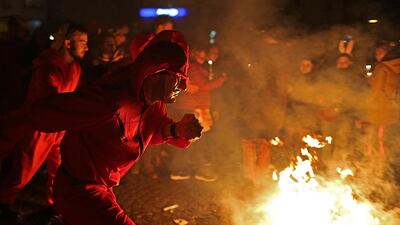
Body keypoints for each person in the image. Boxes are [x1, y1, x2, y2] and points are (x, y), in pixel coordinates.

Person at [1, 30, 202, 225]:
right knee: (22, 170)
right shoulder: (108, 102)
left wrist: (177, 130)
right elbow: (42, 112)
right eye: (177, 77)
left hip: (101, 188)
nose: (182, 87)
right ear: (154, 71)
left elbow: (152, 130)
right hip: (79, 190)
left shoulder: (153, 103)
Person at [0, 23, 88, 218]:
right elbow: (50, 99)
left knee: (60, 171)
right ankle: (3, 204)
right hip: (40, 128)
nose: (86, 47)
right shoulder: (47, 67)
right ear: (67, 43)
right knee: (23, 170)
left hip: (60, 129)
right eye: (82, 42)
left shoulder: (75, 68)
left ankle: (55, 206)